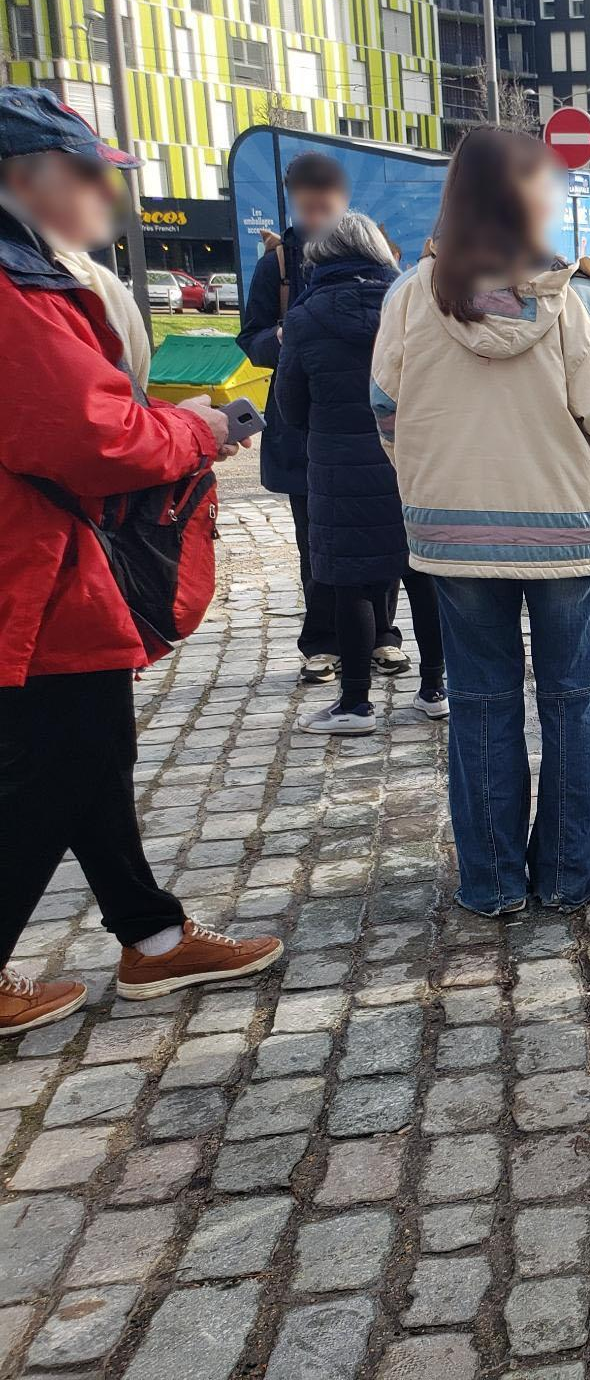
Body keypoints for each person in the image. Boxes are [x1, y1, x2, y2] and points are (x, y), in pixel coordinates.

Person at [0, 86, 282, 1033]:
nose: (104, 196)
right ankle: (151, 940)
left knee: (81, 762)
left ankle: (153, 938)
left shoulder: (31, 274)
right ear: (25, 179)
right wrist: (196, 429)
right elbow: (96, 438)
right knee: (60, 773)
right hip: (37, 574)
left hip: (45, 569)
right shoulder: (13, 292)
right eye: (88, 175)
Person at [373, 127, 590, 916]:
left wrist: (433, 491)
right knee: (572, 704)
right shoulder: (577, 302)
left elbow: (388, 416)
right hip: (568, 529)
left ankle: (490, 881)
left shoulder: (409, 298)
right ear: (529, 198)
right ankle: (565, 874)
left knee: (481, 706)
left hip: (453, 538)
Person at [273, 212, 444, 735]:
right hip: (412, 461)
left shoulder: (305, 317)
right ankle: (436, 688)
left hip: (339, 467)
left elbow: (291, 405)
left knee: (352, 584)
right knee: (422, 576)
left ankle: (354, 704)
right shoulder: (416, 304)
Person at [242, 152, 355, 684]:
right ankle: (322, 643)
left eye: (326, 206)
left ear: (344, 201)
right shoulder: (278, 265)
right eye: (309, 207)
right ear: (295, 203)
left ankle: (381, 635)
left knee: (374, 531)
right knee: (314, 539)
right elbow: (251, 338)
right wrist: (280, 339)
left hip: (358, 418)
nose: (318, 217)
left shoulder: (368, 251)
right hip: (298, 420)